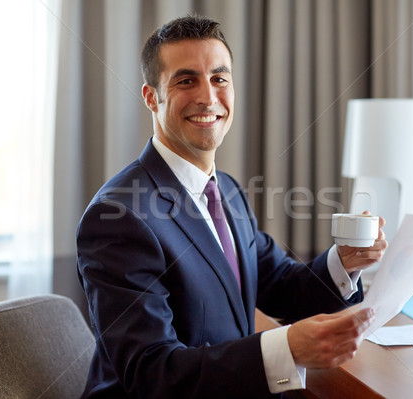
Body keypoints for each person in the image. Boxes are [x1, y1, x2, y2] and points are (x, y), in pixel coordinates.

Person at [76, 15, 387, 399]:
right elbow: (151, 373)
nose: (208, 97)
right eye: (186, 80)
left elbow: (280, 286)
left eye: (219, 78)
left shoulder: (226, 190)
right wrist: (286, 348)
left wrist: (346, 260)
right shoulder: (118, 218)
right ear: (151, 97)